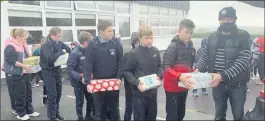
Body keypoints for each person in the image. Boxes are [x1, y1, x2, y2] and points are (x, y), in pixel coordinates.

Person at [195, 7, 252, 120]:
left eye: (229, 19)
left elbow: (243, 60)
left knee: (238, 115)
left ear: (234, 20)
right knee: (219, 115)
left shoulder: (243, 36)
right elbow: (205, 55)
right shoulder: (212, 36)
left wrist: (222, 76)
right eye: (223, 19)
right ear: (219, 20)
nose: (226, 21)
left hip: (237, 86)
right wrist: (198, 68)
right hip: (218, 85)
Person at [83, 20, 123, 121]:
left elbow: (121, 61)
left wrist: (119, 77)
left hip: (113, 81)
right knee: (100, 111)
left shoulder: (116, 42)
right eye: (109, 31)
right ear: (101, 32)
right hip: (98, 82)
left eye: (112, 30)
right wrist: (87, 81)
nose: (112, 33)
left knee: (114, 110)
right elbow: (88, 63)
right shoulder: (93, 44)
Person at [124, 25, 163, 120]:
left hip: (153, 93)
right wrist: (136, 83)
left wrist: (159, 76)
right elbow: (127, 71)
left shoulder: (155, 51)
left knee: (152, 117)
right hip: (139, 94)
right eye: (146, 38)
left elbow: (159, 67)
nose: (149, 40)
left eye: (151, 38)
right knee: (140, 118)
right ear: (140, 38)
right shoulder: (133, 53)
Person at [163, 19, 196, 121]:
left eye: (191, 33)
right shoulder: (172, 47)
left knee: (181, 114)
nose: (189, 35)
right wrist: (179, 76)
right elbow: (166, 67)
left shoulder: (191, 47)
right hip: (172, 88)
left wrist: (194, 71)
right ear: (178, 31)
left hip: (184, 86)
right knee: (173, 117)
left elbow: (189, 66)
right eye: (186, 32)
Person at [3, 28, 40, 120]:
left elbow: (25, 56)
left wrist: (31, 58)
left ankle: (29, 110)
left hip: (24, 72)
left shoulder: (23, 44)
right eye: (24, 38)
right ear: (18, 37)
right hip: (15, 73)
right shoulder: (10, 46)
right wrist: (24, 66)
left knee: (28, 92)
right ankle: (21, 113)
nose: (25, 40)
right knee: (19, 94)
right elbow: (10, 60)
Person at [40, 27, 71, 120]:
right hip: (48, 71)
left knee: (58, 93)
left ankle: (56, 113)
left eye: (61, 36)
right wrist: (60, 52)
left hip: (57, 70)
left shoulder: (58, 43)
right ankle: (52, 116)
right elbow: (49, 59)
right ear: (52, 35)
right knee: (52, 95)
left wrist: (63, 50)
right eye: (59, 36)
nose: (60, 38)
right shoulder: (46, 45)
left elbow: (68, 49)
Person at [67, 31, 94, 121]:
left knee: (91, 100)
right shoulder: (74, 53)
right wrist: (80, 78)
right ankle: (80, 118)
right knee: (79, 102)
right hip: (78, 83)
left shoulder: (90, 51)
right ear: (86, 42)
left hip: (88, 82)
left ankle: (88, 116)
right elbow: (70, 70)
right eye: (91, 41)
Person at [123, 32, 140, 121]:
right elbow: (125, 71)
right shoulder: (128, 54)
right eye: (136, 42)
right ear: (133, 42)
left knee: (139, 108)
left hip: (140, 85)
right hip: (130, 86)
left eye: (139, 41)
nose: (138, 44)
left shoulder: (142, 53)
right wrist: (132, 81)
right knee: (129, 107)